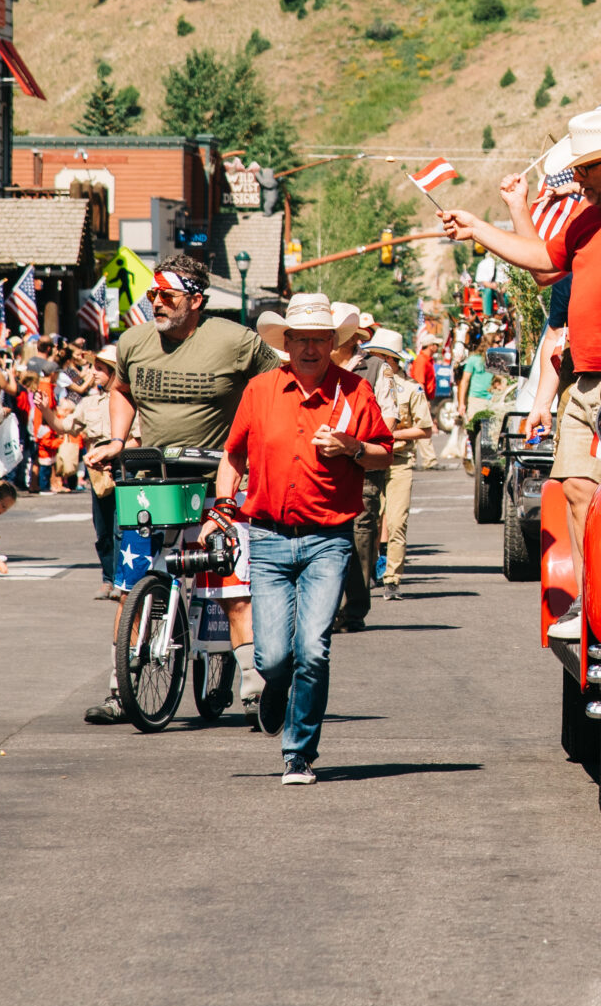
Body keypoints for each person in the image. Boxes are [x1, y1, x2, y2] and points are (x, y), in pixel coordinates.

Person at [440, 106, 601, 641]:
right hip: (583, 379)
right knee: (577, 487)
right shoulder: (585, 219)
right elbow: (542, 262)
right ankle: (593, 602)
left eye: (586, 169)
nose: (577, 179)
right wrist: (479, 227)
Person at [202, 294, 394, 784]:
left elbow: (384, 454)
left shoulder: (355, 392)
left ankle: (298, 751)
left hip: (328, 539)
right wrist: (222, 508)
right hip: (266, 538)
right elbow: (233, 456)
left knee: (313, 649)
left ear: (334, 343)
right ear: (285, 343)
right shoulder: (260, 390)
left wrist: (352, 447)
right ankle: (273, 687)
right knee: (272, 656)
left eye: (320, 339)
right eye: (301, 339)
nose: (310, 348)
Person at [92, 258, 280, 723]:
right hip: (152, 483)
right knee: (131, 584)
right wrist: (118, 439)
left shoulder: (235, 340)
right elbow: (121, 388)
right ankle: (122, 688)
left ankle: (254, 689)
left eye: (168, 296)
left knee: (233, 588)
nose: (157, 302)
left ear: (195, 300)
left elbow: (277, 385)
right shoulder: (134, 341)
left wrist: (259, 440)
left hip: (219, 480)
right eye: (153, 295)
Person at [350, 327, 434, 611]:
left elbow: (425, 429)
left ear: (396, 360)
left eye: (385, 357)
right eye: (375, 355)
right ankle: (369, 570)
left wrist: (390, 436)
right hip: (370, 462)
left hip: (398, 463)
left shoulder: (411, 389)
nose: (379, 362)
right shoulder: (365, 384)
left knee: (397, 521)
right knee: (367, 522)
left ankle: (392, 579)